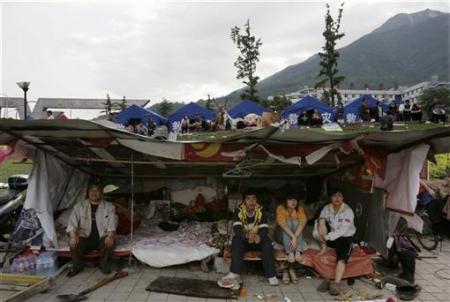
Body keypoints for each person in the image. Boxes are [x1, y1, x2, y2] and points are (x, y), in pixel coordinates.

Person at [218, 192, 278, 289]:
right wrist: (246, 235)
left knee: (267, 243)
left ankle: (271, 275)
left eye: (254, 199)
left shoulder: (261, 210)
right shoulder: (238, 210)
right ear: (244, 201)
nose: (251, 202)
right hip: (244, 239)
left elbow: (264, 228)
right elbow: (237, 228)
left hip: (257, 239)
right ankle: (234, 272)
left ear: (256, 200)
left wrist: (259, 236)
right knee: (236, 241)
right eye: (248, 199)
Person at [66, 183, 118, 277]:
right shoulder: (80, 206)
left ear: (101, 193)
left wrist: (110, 235)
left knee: (109, 241)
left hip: (102, 236)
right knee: (74, 242)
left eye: (97, 190)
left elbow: (113, 221)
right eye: (91, 190)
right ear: (88, 193)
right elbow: (72, 222)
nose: (94, 193)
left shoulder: (109, 206)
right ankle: (77, 266)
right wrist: (73, 236)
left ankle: (103, 265)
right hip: (85, 237)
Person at [314, 192, 356, 296]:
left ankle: (336, 283)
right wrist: (321, 224)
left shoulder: (348, 211)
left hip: (345, 238)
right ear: (330, 198)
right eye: (334, 196)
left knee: (341, 259)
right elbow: (320, 221)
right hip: (332, 237)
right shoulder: (327, 208)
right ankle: (327, 280)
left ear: (343, 198)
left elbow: (342, 230)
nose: (337, 198)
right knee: (320, 221)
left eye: (340, 196)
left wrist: (326, 237)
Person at [276, 196, 307, 284]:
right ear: (285, 200)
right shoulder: (280, 208)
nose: (293, 202)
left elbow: (302, 224)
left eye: (295, 199)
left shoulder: (300, 209)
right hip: (280, 235)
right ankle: (289, 252)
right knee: (288, 222)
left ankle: (297, 251)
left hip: (295, 237)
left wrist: (294, 237)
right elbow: (283, 225)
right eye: (290, 199)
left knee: (296, 222)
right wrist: (293, 237)